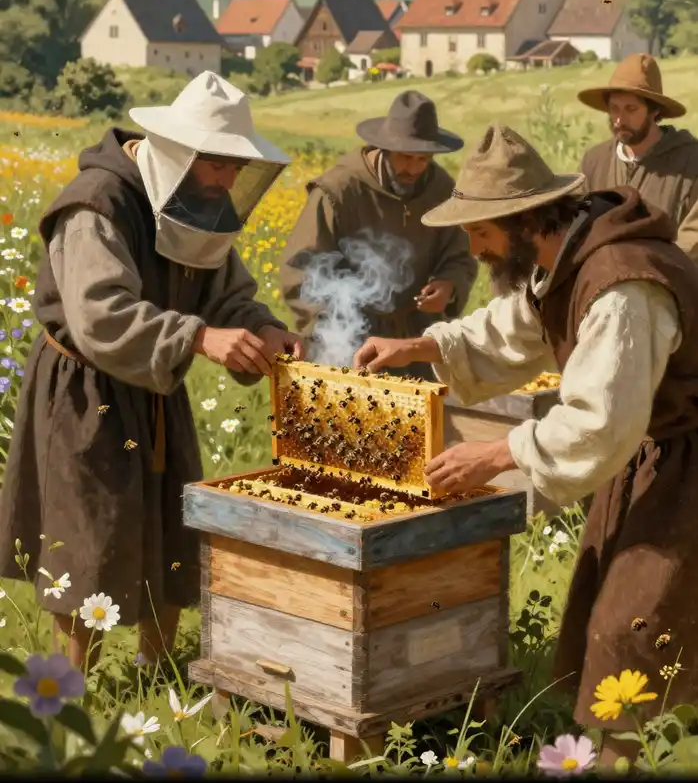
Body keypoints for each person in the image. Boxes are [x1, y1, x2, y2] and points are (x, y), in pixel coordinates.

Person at [353, 123, 698, 768]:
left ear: (521, 219)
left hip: (686, 466)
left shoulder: (624, 287)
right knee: (612, 621)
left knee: (632, 632)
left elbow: (598, 423)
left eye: (480, 231)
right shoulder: (567, 255)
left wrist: (495, 454)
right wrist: (426, 344)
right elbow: (520, 323)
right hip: (649, 456)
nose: (473, 246)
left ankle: (631, 759)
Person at [0, 72, 304, 670]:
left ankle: (157, 670)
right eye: (217, 163)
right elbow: (99, 314)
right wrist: (196, 336)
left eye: (235, 165)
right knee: (89, 532)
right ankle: (68, 684)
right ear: (176, 149)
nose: (227, 179)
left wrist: (261, 326)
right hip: (87, 390)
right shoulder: (97, 202)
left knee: (171, 522)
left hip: (157, 385)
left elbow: (224, 288)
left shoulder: (198, 199)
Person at [279, 90, 478, 378]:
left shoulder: (442, 189)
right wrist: (335, 337)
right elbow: (303, 271)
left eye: (423, 159)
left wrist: (449, 286)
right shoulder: (339, 191)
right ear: (384, 148)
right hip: (348, 338)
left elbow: (460, 255)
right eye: (405, 157)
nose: (413, 168)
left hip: (413, 340)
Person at [578, 52, 698, 261]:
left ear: (654, 111)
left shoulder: (691, 160)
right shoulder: (595, 162)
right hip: (600, 282)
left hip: (670, 285)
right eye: (614, 109)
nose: (619, 120)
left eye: (630, 109)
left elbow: (693, 241)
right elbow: (576, 229)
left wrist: (641, 270)